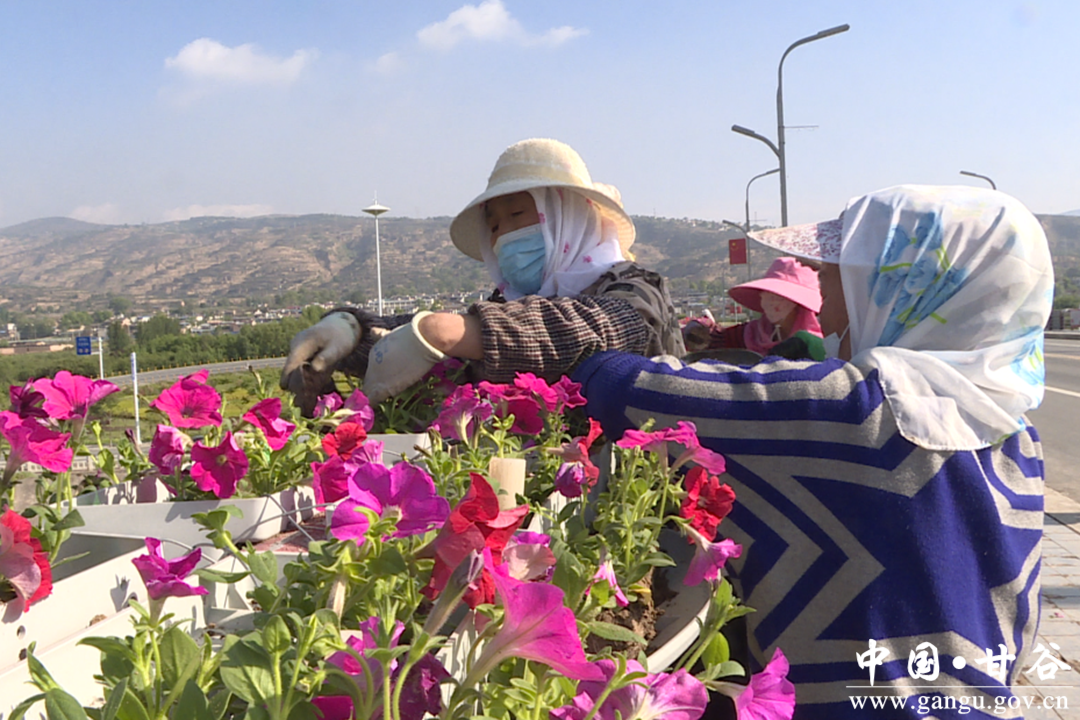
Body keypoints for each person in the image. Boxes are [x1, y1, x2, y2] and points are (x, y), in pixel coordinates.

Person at [570, 185, 1051, 719]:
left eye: (831, 274)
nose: (823, 297)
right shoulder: (1016, 437)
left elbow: (623, 390)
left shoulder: (847, 409)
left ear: (895, 286)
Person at [280, 138, 684, 414]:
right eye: (493, 225)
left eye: (518, 214)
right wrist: (349, 330)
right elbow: (418, 336)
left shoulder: (635, 288)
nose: (504, 235)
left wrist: (443, 332)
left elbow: (596, 328)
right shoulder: (507, 303)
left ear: (568, 214)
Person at [682, 257, 823, 355]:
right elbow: (712, 339)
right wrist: (696, 329)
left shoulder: (821, 346)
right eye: (768, 294)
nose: (772, 302)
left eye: (781, 296)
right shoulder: (749, 335)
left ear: (799, 303)